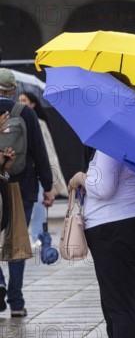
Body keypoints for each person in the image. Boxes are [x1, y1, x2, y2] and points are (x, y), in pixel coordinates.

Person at [68, 72, 135, 338]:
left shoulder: (114, 132)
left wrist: (80, 177)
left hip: (114, 229)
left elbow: (103, 187)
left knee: (120, 308)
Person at [0, 68, 54, 318]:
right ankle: (17, 301)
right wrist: (49, 186)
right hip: (22, 186)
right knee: (17, 244)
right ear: (13, 90)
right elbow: (40, 154)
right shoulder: (26, 113)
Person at [18, 92, 68, 247]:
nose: (21, 103)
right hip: (24, 172)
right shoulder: (16, 120)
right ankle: (28, 237)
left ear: (33, 103)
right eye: (19, 100)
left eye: (24, 100)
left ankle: (36, 236)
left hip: (37, 170)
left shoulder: (39, 122)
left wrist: (49, 173)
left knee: (40, 203)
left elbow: (47, 150)